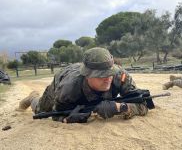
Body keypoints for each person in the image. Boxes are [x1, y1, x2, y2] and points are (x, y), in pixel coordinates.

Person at [18, 47, 148, 123]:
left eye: (110, 73)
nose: (108, 78)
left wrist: (122, 107)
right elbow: (56, 113)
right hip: (62, 80)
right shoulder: (68, 88)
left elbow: (143, 104)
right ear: (87, 75)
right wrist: (68, 119)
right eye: (101, 74)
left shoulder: (120, 76)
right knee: (40, 109)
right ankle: (32, 97)